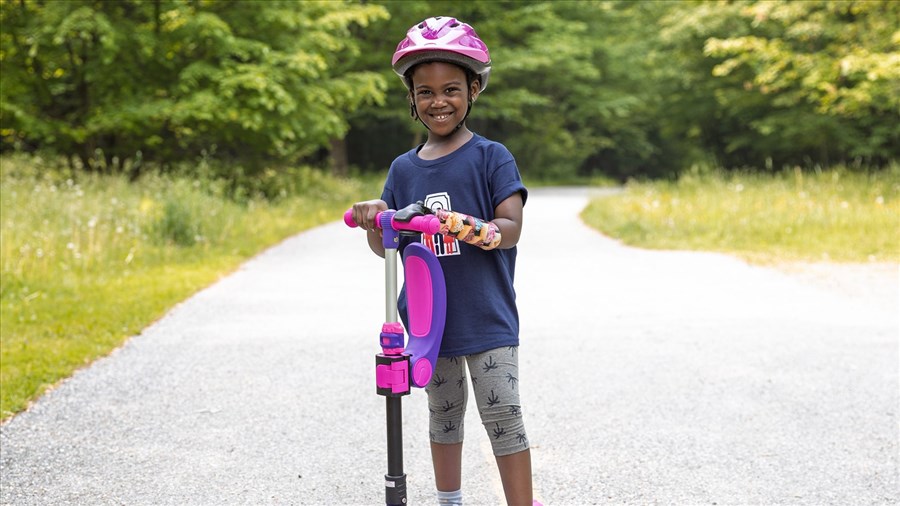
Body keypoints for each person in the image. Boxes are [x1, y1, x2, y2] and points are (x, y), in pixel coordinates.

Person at [350, 16, 539, 506]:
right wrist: (377, 221)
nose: (439, 101)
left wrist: (467, 225)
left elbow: (511, 228)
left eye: (451, 88)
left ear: (473, 89)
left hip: (487, 314)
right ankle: (449, 500)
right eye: (426, 91)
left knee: (503, 416)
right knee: (444, 413)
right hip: (428, 320)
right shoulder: (403, 169)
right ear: (411, 98)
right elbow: (386, 245)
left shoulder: (491, 157)